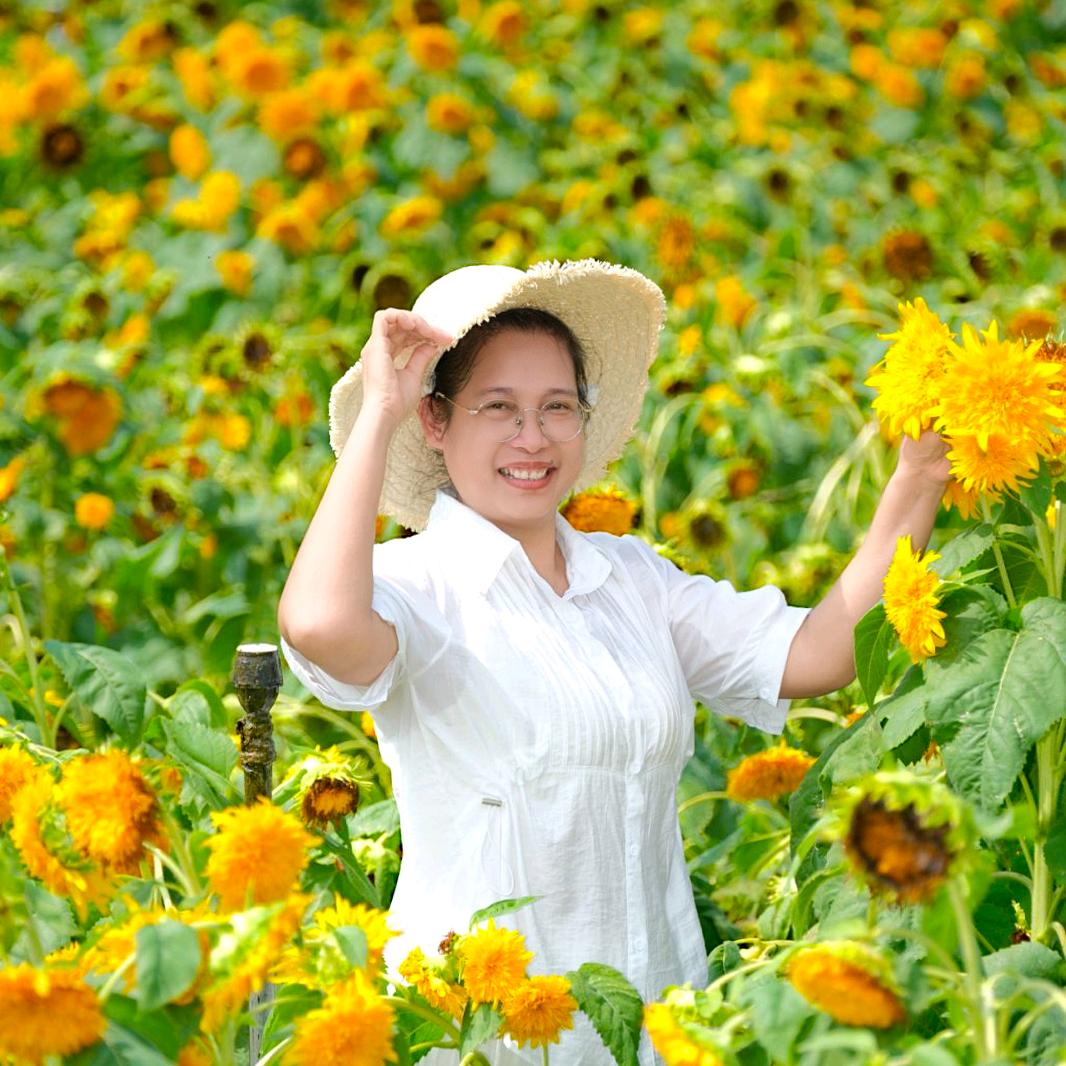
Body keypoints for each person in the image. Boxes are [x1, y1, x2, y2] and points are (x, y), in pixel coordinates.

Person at [276, 259, 950, 1064]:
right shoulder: (415, 587)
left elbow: (821, 652)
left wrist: (919, 478)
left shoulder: (631, 578)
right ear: (435, 419)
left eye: (557, 407)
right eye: (499, 407)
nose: (533, 438)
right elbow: (318, 623)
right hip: (486, 1038)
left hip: (651, 1026)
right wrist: (378, 412)